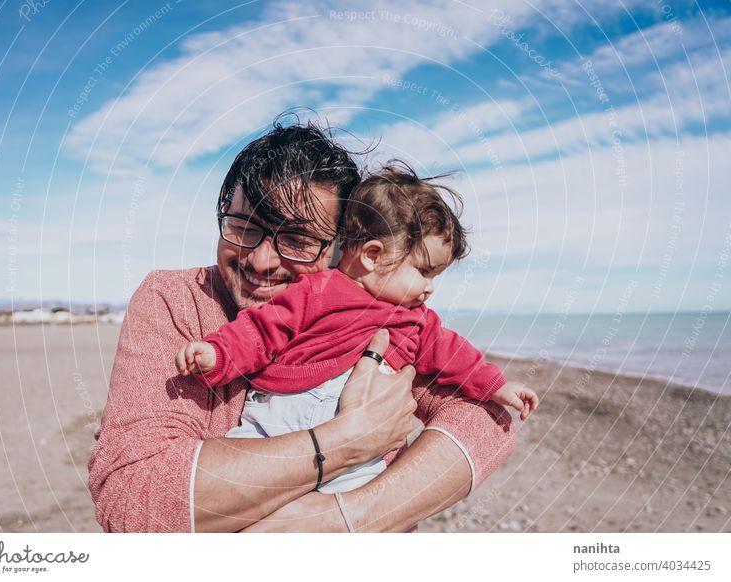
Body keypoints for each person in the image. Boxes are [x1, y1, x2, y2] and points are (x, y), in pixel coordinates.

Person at [88, 117, 515, 532]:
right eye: (243, 226)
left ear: (341, 250)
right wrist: (346, 440)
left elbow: (486, 421)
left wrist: (345, 518)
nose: (260, 260)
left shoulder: (370, 317)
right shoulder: (177, 300)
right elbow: (135, 499)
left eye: (298, 240)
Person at [174, 165, 538, 497]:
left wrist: (496, 386)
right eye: (424, 271)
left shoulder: (417, 319)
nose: (430, 288)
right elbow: (262, 330)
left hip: (359, 456)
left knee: (364, 508)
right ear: (373, 255)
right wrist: (217, 354)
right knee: (235, 487)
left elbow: (454, 355)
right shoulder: (320, 290)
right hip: (278, 418)